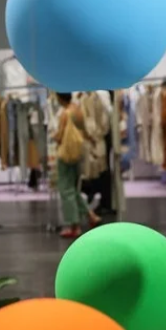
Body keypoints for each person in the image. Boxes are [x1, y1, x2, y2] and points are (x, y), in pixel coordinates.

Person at [54, 92, 101, 238]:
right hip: (77, 154)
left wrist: (55, 138)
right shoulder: (77, 110)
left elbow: (59, 136)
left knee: (66, 190)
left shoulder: (64, 114)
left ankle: (74, 225)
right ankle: (91, 215)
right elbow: (85, 132)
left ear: (59, 98)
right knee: (73, 189)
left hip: (66, 155)